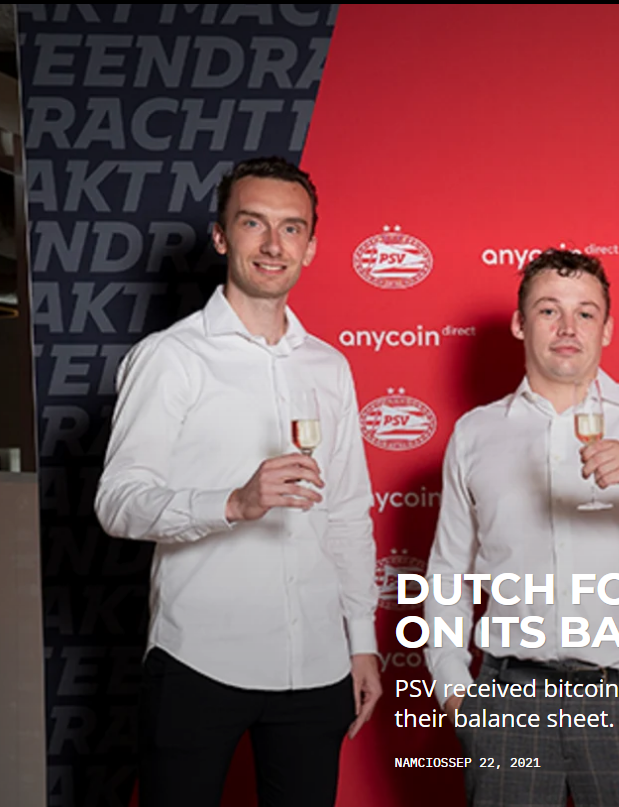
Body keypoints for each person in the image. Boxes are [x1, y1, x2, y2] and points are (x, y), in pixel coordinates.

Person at [95, 156, 379, 806]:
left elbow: (346, 513)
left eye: (291, 228)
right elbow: (118, 501)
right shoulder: (171, 357)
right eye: (254, 224)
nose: (274, 244)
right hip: (200, 660)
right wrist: (232, 502)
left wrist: (360, 642)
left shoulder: (329, 366)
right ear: (222, 237)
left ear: (310, 245)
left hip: (316, 665)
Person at [423, 249, 619, 807]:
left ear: (606, 329)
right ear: (520, 324)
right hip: (508, 701)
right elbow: (448, 573)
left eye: (585, 313)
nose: (568, 327)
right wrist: (454, 692)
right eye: (549, 311)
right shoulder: (476, 432)